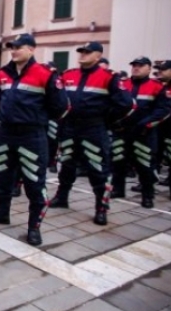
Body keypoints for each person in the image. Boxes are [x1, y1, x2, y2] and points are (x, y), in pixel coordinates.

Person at [0, 34, 69, 246]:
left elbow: (61, 106)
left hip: (32, 136)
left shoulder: (45, 74)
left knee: (34, 183)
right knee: (3, 177)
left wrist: (38, 119)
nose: (15, 50)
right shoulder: (3, 74)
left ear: (32, 50)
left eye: (20, 47)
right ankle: (2, 213)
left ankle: (33, 227)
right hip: (6, 134)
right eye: (12, 46)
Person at [50, 42, 135, 225]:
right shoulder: (68, 74)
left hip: (93, 130)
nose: (82, 55)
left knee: (98, 170)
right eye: (81, 52)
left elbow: (126, 104)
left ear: (98, 56)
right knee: (67, 165)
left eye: (87, 52)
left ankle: (101, 208)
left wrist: (108, 120)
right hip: (69, 128)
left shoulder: (109, 77)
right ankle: (62, 197)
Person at [110, 57, 171, 208]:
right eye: (134, 66)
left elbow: (164, 110)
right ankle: (118, 190)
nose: (136, 68)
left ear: (149, 69)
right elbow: (112, 104)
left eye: (140, 66)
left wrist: (145, 124)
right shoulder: (123, 85)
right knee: (118, 162)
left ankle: (147, 196)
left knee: (145, 166)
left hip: (144, 133)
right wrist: (114, 121)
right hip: (122, 132)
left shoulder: (157, 86)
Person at [157, 60, 171, 202]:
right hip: (158, 129)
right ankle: (147, 185)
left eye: (164, 70)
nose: (160, 72)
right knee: (153, 158)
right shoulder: (160, 86)